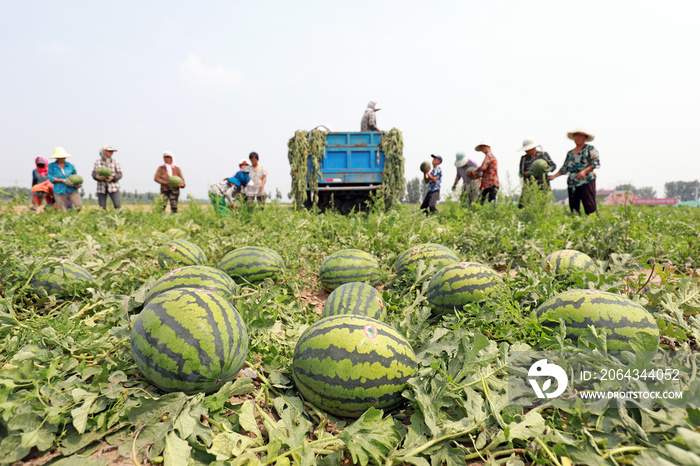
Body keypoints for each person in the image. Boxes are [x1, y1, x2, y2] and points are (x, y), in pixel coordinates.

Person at [548, 128, 600, 215]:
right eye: (576, 135)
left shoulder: (590, 149)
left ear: (585, 138)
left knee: (590, 206)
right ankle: (576, 223)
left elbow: (595, 163)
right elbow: (565, 167)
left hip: (587, 180)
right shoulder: (570, 153)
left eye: (580, 136)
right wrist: (554, 176)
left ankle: (594, 224)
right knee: (574, 207)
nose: (577, 138)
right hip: (572, 182)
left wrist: (584, 171)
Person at [517, 138, 556, 208]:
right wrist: (529, 173)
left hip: (542, 185)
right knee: (523, 205)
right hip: (528, 185)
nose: (526, 151)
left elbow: (553, 165)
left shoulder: (543, 155)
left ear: (533, 148)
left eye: (528, 149)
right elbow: (521, 173)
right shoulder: (524, 158)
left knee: (542, 205)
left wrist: (548, 169)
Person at [47, 146, 82, 211]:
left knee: (78, 206)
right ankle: (66, 219)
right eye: (61, 156)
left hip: (72, 189)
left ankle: (72, 217)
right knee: (62, 210)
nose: (63, 158)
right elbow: (51, 178)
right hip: (59, 190)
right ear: (57, 157)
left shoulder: (70, 166)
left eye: (64, 156)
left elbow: (75, 175)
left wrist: (77, 183)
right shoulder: (51, 166)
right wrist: (63, 181)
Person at [92, 145, 123, 210]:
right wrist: (98, 177)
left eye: (112, 151)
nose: (111, 153)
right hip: (101, 187)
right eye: (109, 151)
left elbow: (120, 174)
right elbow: (94, 174)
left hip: (113, 187)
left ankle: (119, 218)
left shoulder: (115, 162)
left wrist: (113, 178)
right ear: (103, 151)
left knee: (117, 205)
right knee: (102, 207)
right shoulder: (97, 162)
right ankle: (104, 218)